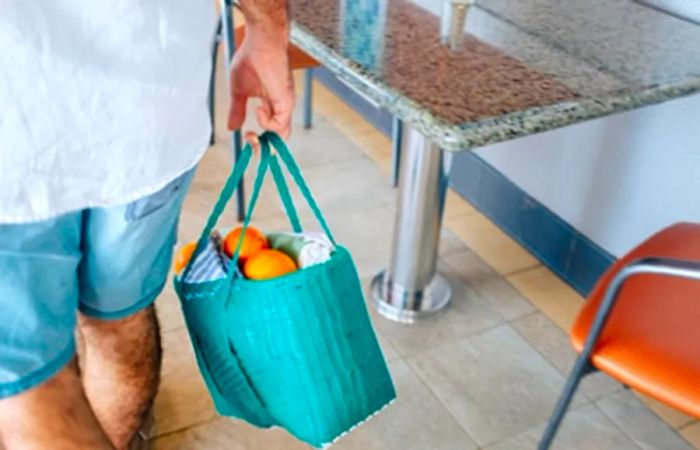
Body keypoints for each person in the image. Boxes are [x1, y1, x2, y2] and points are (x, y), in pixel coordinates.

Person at [0, 0, 292, 449]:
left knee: (35, 392)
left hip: (15, 126)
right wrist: (267, 26)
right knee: (119, 319)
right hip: (150, 108)